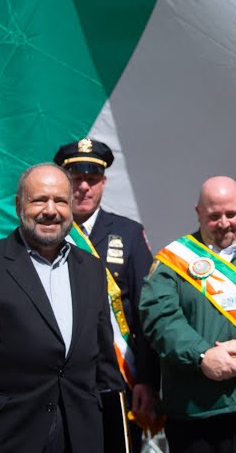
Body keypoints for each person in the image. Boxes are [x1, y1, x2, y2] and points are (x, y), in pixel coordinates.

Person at [0, 162, 121, 453]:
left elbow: (104, 366)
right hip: (8, 437)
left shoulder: (92, 269)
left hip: (82, 437)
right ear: (18, 205)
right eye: (39, 199)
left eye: (61, 200)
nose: (51, 210)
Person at [138, 176, 236, 453]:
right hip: (195, 409)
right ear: (198, 212)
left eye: (231, 214)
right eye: (213, 216)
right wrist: (201, 355)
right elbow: (160, 319)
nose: (224, 223)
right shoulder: (171, 261)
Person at [53, 138, 161, 450]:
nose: (83, 187)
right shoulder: (46, 231)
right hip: (56, 377)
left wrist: (147, 379)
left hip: (115, 378)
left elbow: (145, 311)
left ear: (103, 182)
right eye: (75, 179)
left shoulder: (128, 233)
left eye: (92, 179)